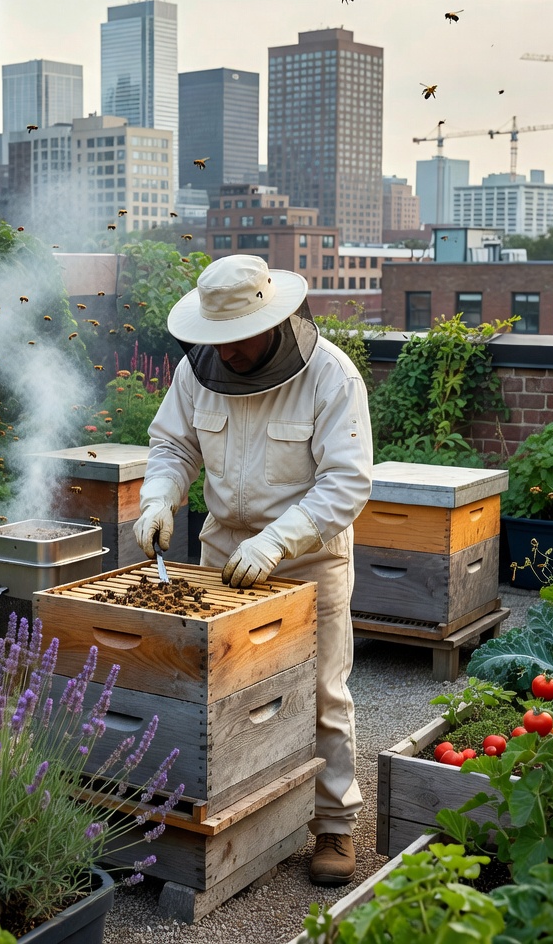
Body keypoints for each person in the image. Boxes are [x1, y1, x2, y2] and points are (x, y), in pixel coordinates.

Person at [133, 254, 373, 885]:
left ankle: (334, 827)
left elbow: (346, 482)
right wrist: (158, 497)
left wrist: (274, 543)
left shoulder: (330, 375)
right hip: (221, 555)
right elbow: (172, 446)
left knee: (321, 694)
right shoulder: (197, 371)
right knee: (228, 698)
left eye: (238, 340)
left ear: (274, 320)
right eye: (219, 341)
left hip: (307, 559)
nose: (228, 353)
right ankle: (242, 817)